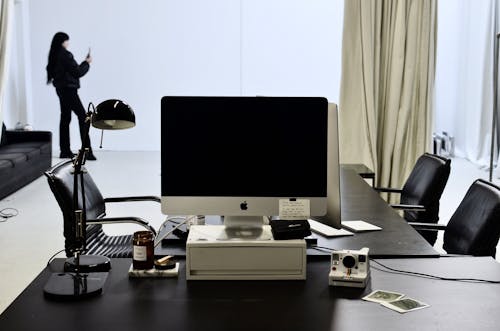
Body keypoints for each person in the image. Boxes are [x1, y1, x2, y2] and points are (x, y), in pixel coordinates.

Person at [46, 32, 96, 160]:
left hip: (61, 90)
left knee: (65, 118)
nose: (68, 43)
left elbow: (67, 71)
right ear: (63, 41)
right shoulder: (65, 55)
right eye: (67, 40)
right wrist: (87, 63)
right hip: (69, 90)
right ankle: (87, 151)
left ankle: (65, 151)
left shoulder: (54, 54)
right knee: (83, 117)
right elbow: (77, 72)